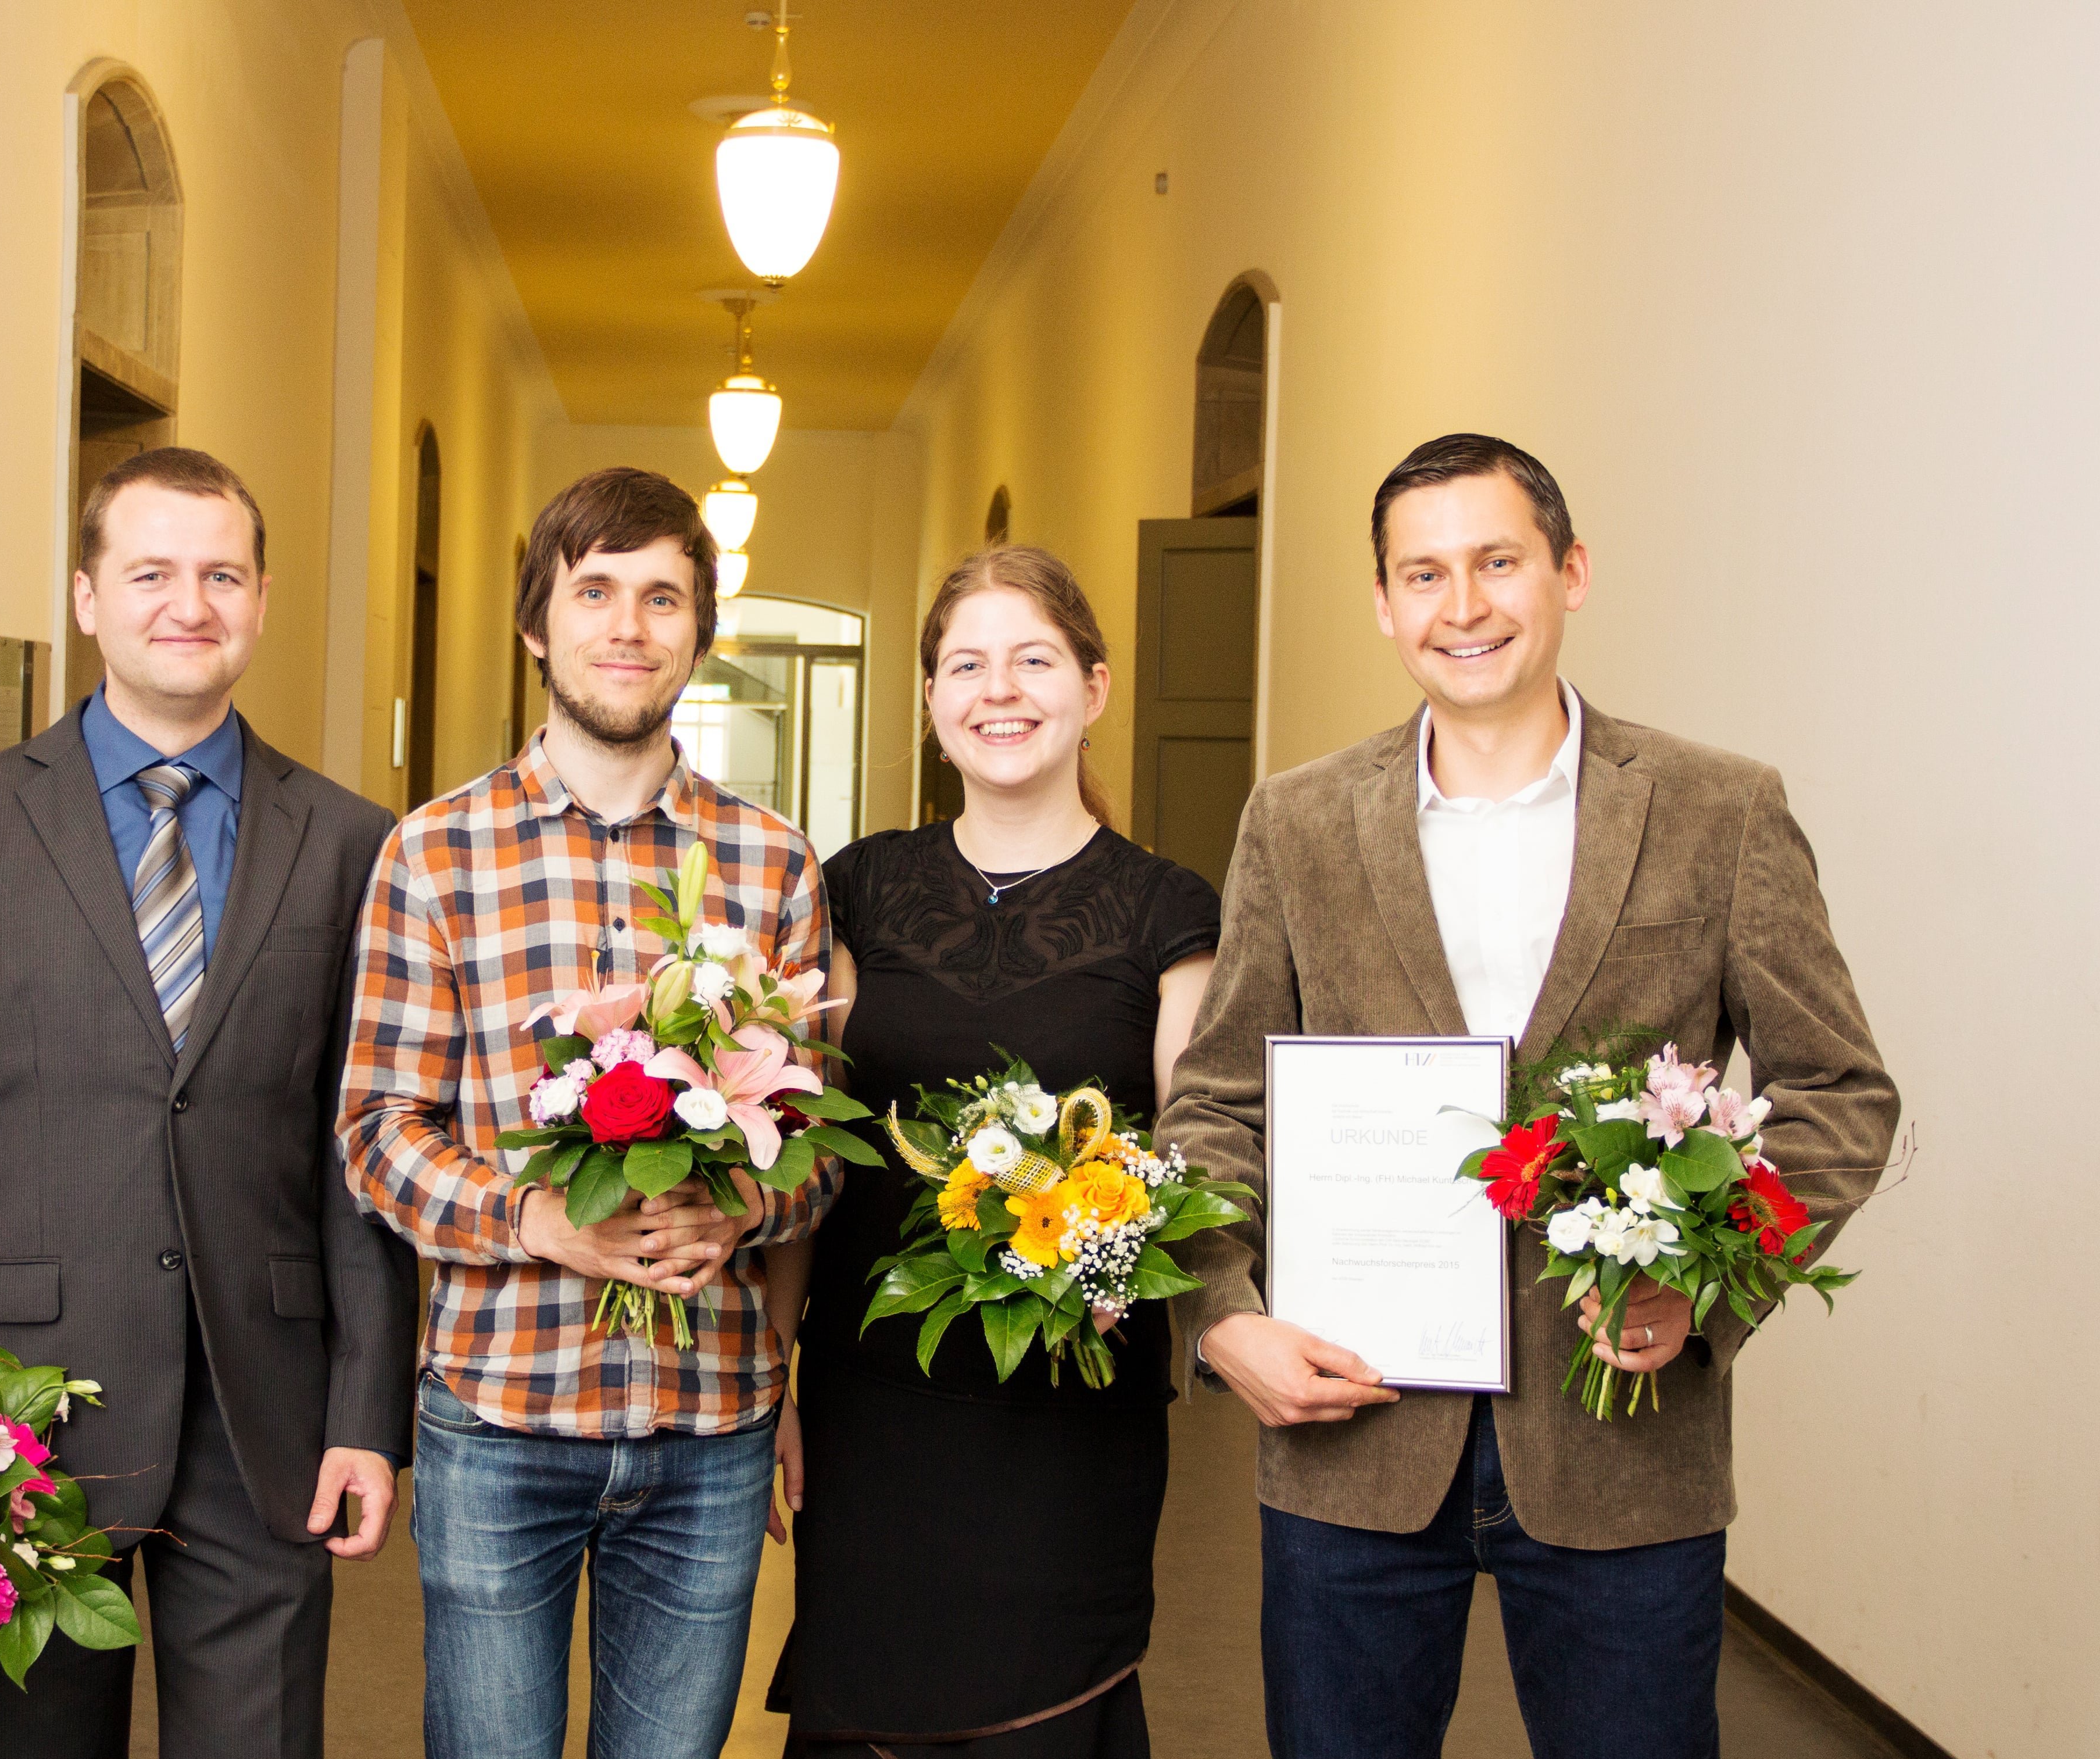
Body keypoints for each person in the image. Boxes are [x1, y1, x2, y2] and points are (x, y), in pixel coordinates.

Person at [1160, 433, 1901, 1759]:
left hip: (1624, 1445)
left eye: (1497, 562)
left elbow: (1837, 1089)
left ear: (1569, 571)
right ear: (1383, 605)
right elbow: (1217, 1103)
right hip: (1353, 1435)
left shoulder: (1717, 810)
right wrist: (1224, 1317)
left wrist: (1714, 1285)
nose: (1463, 607)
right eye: (1423, 573)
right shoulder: (1299, 819)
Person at [0, 448, 416, 1758]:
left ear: (261, 600)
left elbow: (356, 1162)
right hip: (10, 1420)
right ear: (89, 598)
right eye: (150, 571)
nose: (187, 604)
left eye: (220, 574)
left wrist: (367, 1419)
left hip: (264, 1411)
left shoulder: (353, 843)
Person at [338, 465, 836, 1759]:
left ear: (699, 633)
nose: (629, 625)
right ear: (536, 625)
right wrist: (539, 1219)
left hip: (710, 1424)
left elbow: (819, 1153)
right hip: (501, 1416)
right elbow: (377, 1131)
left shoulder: (774, 861)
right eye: (597, 590)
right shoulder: (431, 854)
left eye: (663, 596)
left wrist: (741, 1207)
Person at [766, 546, 1220, 1757]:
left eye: (1033, 660)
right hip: (874, 1406)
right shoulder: (855, 889)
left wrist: (1102, 1258)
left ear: (1095, 687)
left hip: (1070, 1415)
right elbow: (815, 1161)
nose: (998, 691)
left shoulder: (1168, 912)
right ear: (929, 701)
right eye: (965, 664)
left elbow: (1202, 1170)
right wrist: (768, 1375)